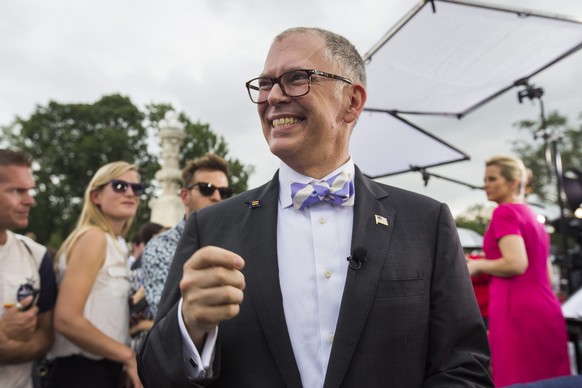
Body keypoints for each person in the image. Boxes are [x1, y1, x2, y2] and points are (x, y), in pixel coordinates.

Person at [138, 27, 491, 387]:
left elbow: (465, 368)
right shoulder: (211, 227)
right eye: (264, 83)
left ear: (352, 102)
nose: (273, 96)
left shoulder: (425, 223)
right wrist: (189, 326)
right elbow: (153, 373)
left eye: (296, 78)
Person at [468, 155, 570, 387]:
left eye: (492, 179)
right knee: (552, 379)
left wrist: (477, 265)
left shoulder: (504, 213)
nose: (486, 184)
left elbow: (516, 263)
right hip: (546, 307)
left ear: (514, 182)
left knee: (519, 379)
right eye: (485, 179)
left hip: (517, 311)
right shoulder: (533, 217)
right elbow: (546, 273)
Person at [46, 161, 144, 388]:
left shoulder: (115, 243)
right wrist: (127, 356)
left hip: (104, 370)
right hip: (81, 372)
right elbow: (66, 319)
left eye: (137, 188)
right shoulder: (94, 238)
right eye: (120, 186)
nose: (130, 193)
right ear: (96, 196)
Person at [142, 153, 231, 317]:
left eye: (224, 192)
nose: (217, 197)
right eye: (207, 189)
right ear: (184, 196)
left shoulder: (235, 241)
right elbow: (164, 313)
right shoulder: (160, 247)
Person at [0, 149, 57, 388]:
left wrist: (9, 349)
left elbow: (46, 336)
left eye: (29, 190)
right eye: (17, 191)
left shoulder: (36, 255)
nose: (30, 200)